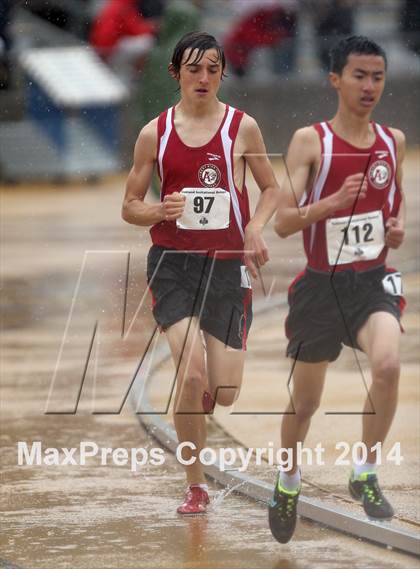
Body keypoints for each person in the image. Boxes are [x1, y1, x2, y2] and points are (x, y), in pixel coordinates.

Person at [122, 31, 280, 514]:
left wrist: (254, 227)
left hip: (227, 268)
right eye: (194, 68)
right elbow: (130, 205)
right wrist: (158, 212)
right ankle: (196, 485)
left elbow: (271, 189)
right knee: (190, 375)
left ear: (222, 74)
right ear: (176, 74)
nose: (204, 77)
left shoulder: (242, 128)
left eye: (213, 68)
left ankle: (207, 392)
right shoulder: (155, 133)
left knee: (225, 391)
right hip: (173, 266)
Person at [269, 35, 406, 543]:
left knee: (388, 365)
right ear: (335, 79)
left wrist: (396, 228)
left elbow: (397, 201)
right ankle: (287, 481)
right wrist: (326, 206)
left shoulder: (394, 140)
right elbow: (283, 222)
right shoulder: (312, 141)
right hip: (321, 288)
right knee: (304, 404)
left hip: (371, 282)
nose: (369, 86)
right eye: (359, 76)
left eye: (377, 76)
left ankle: (365, 473)